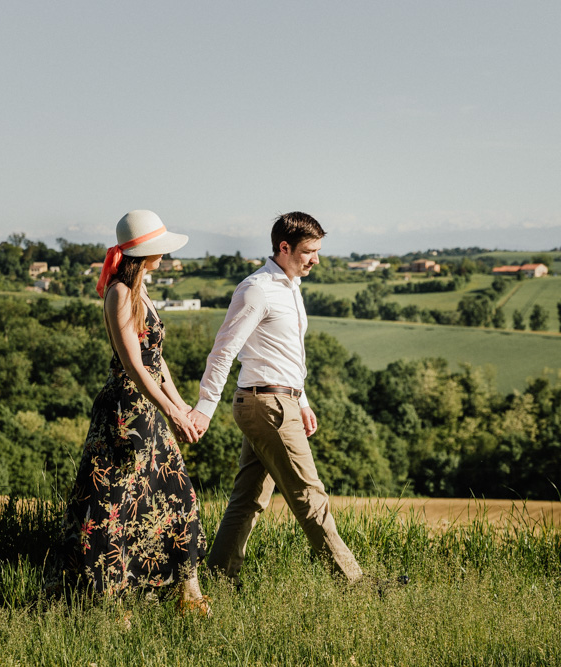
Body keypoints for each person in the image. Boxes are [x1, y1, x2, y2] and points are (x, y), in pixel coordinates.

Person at [188, 211, 364, 585]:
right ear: (284, 248)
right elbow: (223, 350)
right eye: (308, 251)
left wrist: (301, 399)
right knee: (309, 494)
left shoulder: (289, 287)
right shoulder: (257, 289)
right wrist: (205, 406)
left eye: (317, 250)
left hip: (278, 400)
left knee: (249, 497)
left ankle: (218, 580)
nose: (316, 259)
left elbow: (284, 354)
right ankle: (355, 583)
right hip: (265, 405)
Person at [60, 209, 210, 616]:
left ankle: (188, 595)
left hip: (147, 411)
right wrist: (172, 413)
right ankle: (114, 603)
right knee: (115, 508)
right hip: (125, 415)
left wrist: (181, 406)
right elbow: (133, 366)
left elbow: (157, 363)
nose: (165, 254)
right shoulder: (120, 293)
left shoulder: (140, 291)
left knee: (178, 498)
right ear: (145, 253)